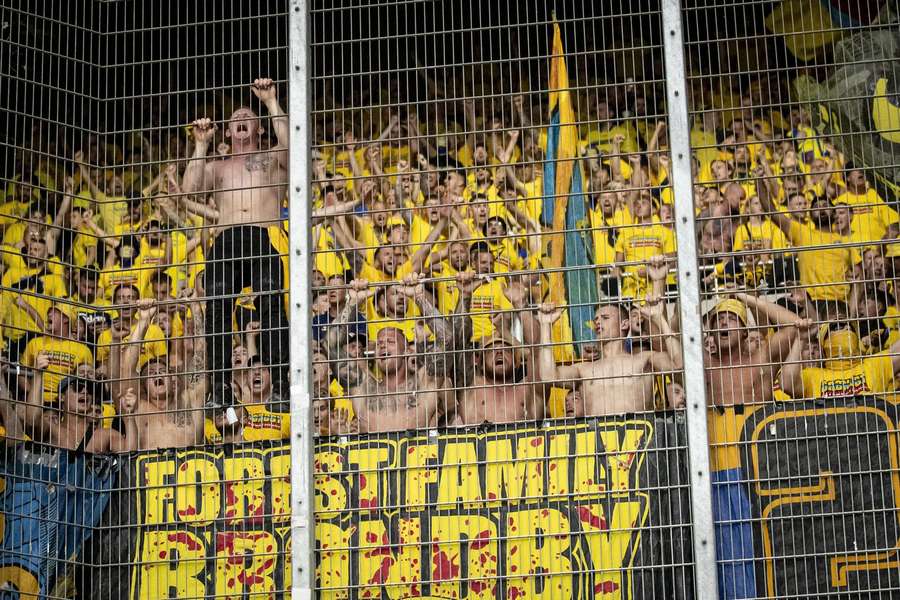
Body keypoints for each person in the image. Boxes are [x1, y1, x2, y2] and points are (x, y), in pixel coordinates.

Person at [182, 77, 290, 405]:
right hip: (226, 238)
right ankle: (220, 388)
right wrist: (200, 145)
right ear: (226, 132)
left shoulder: (272, 159)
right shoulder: (218, 166)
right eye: (235, 119)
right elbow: (191, 190)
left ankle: (281, 382)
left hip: (263, 234)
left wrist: (271, 102)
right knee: (216, 304)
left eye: (248, 117)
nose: (241, 119)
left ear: (259, 128)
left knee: (270, 299)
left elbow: (292, 145)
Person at [537, 258, 682, 415]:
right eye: (596, 319)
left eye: (605, 318)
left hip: (640, 438)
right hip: (596, 438)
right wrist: (546, 326)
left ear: (624, 324)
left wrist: (659, 318)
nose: (598, 322)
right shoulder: (584, 370)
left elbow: (679, 365)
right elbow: (548, 376)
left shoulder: (644, 360)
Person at [329, 275, 455, 433]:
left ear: (406, 351)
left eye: (390, 342)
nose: (383, 346)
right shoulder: (363, 388)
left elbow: (448, 339)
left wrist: (418, 297)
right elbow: (330, 344)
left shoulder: (424, 384)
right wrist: (355, 302)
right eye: (380, 343)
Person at [453, 271, 547, 424]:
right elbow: (457, 347)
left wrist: (521, 305)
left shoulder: (528, 390)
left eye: (506, 349)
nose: (498, 351)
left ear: (517, 362)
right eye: (491, 350)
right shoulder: (471, 389)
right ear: (479, 362)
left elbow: (536, 349)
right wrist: (464, 296)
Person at [116, 299, 206, 449]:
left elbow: (201, 354)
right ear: (144, 387)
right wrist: (144, 320)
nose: (157, 373)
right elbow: (126, 369)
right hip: (150, 471)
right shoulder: (140, 408)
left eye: (163, 371)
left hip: (189, 470)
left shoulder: (190, 401)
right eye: (151, 373)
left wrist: (195, 308)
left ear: (172, 380)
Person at [17, 352, 137, 452]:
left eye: (89, 389)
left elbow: (129, 455)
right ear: (62, 397)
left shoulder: (105, 435)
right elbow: (32, 422)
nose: (84, 391)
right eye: (77, 387)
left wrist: (129, 416)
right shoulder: (53, 430)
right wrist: (38, 374)